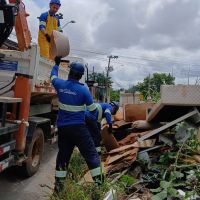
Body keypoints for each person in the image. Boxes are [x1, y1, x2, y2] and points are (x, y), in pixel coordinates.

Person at [50, 57, 103, 193]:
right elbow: (93, 111)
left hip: (63, 129)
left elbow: (52, 77)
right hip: (79, 129)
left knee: (63, 156)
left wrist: (56, 64)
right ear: (80, 76)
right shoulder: (84, 90)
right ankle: (100, 186)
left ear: (69, 73)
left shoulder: (60, 84)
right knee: (91, 155)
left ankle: (58, 188)